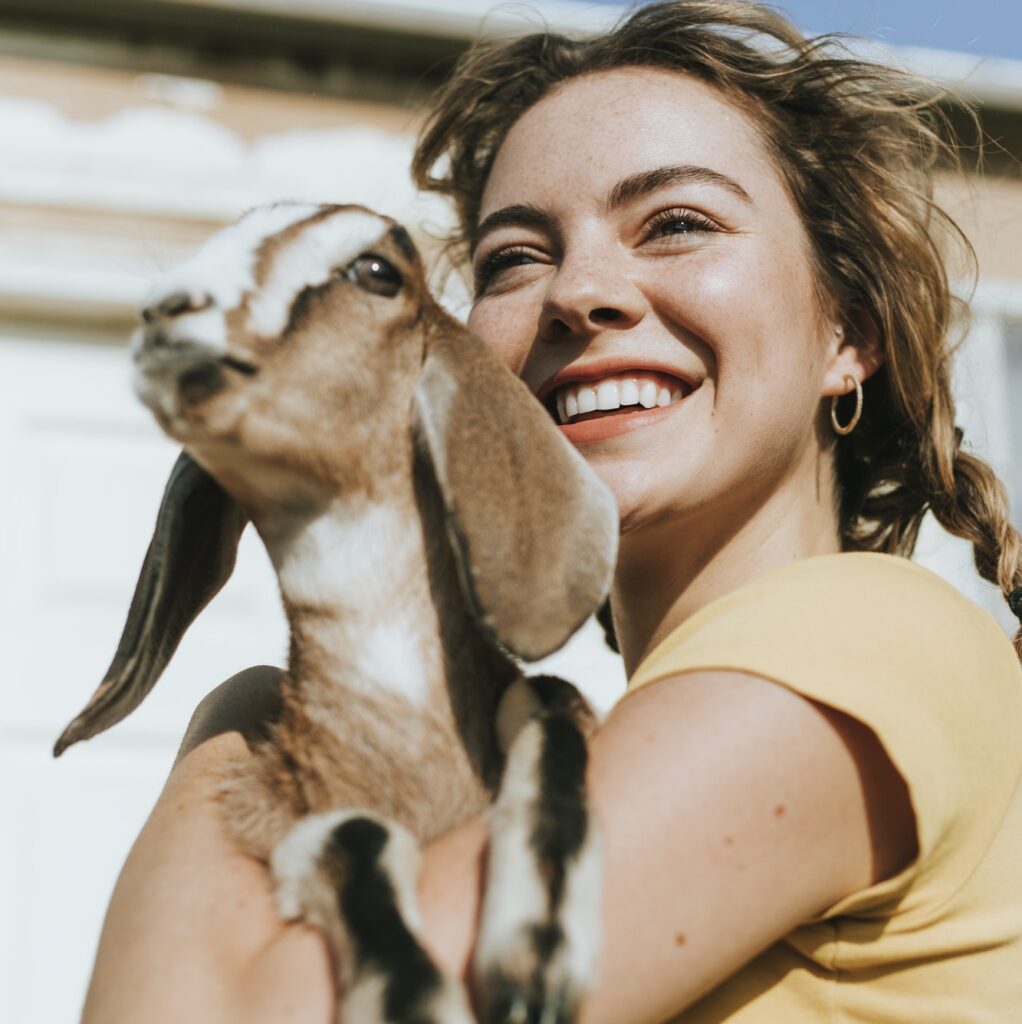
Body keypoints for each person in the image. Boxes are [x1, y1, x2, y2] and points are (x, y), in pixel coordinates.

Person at [81, 2, 1022, 1021]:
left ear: (850, 332)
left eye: (675, 224)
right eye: (513, 259)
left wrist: (244, 727)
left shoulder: (863, 637)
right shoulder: (582, 751)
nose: (577, 290)